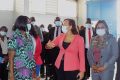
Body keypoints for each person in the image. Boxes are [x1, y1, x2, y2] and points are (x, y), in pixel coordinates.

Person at [8, 15, 36, 80]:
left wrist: (33, 69)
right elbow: (10, 58)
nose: (30, 25)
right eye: (28, 23)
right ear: (22, 23)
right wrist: (11, 75)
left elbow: (31, 54)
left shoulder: (29, 36)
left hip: (29, 70)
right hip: (18, 70)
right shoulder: (14, 37)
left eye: (30, 23)